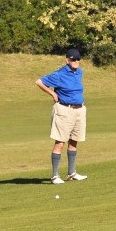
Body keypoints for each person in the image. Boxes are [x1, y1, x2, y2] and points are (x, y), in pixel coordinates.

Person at [35, 48, 89, 184]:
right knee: (60, 142)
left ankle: (71, 173)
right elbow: (39, 82)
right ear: (67, 60)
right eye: (73, 59)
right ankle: (55, 176)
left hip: (79, 109)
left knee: (74, 141)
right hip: (64, 110)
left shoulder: (79, 72)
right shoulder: (59, 74)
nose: (76, 61)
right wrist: (53, 94)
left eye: (78, 59)